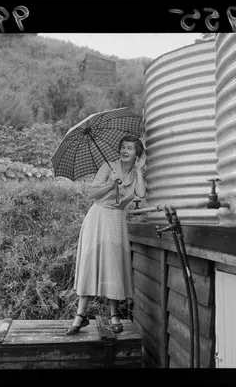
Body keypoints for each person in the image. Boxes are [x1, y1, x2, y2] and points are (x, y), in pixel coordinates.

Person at [66, 135, 146, 335]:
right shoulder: (107, 167)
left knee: (114, 265)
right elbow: (92, 193)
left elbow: (142, 194)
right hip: (98, 217)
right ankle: (81, 315)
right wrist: (111, 184)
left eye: (129, 148)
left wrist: (138, 170)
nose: (124, 150)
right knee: (90, 263)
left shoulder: (136, 174)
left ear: (137, 154)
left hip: (117, 221)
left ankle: (114, 315)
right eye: (122, 147)